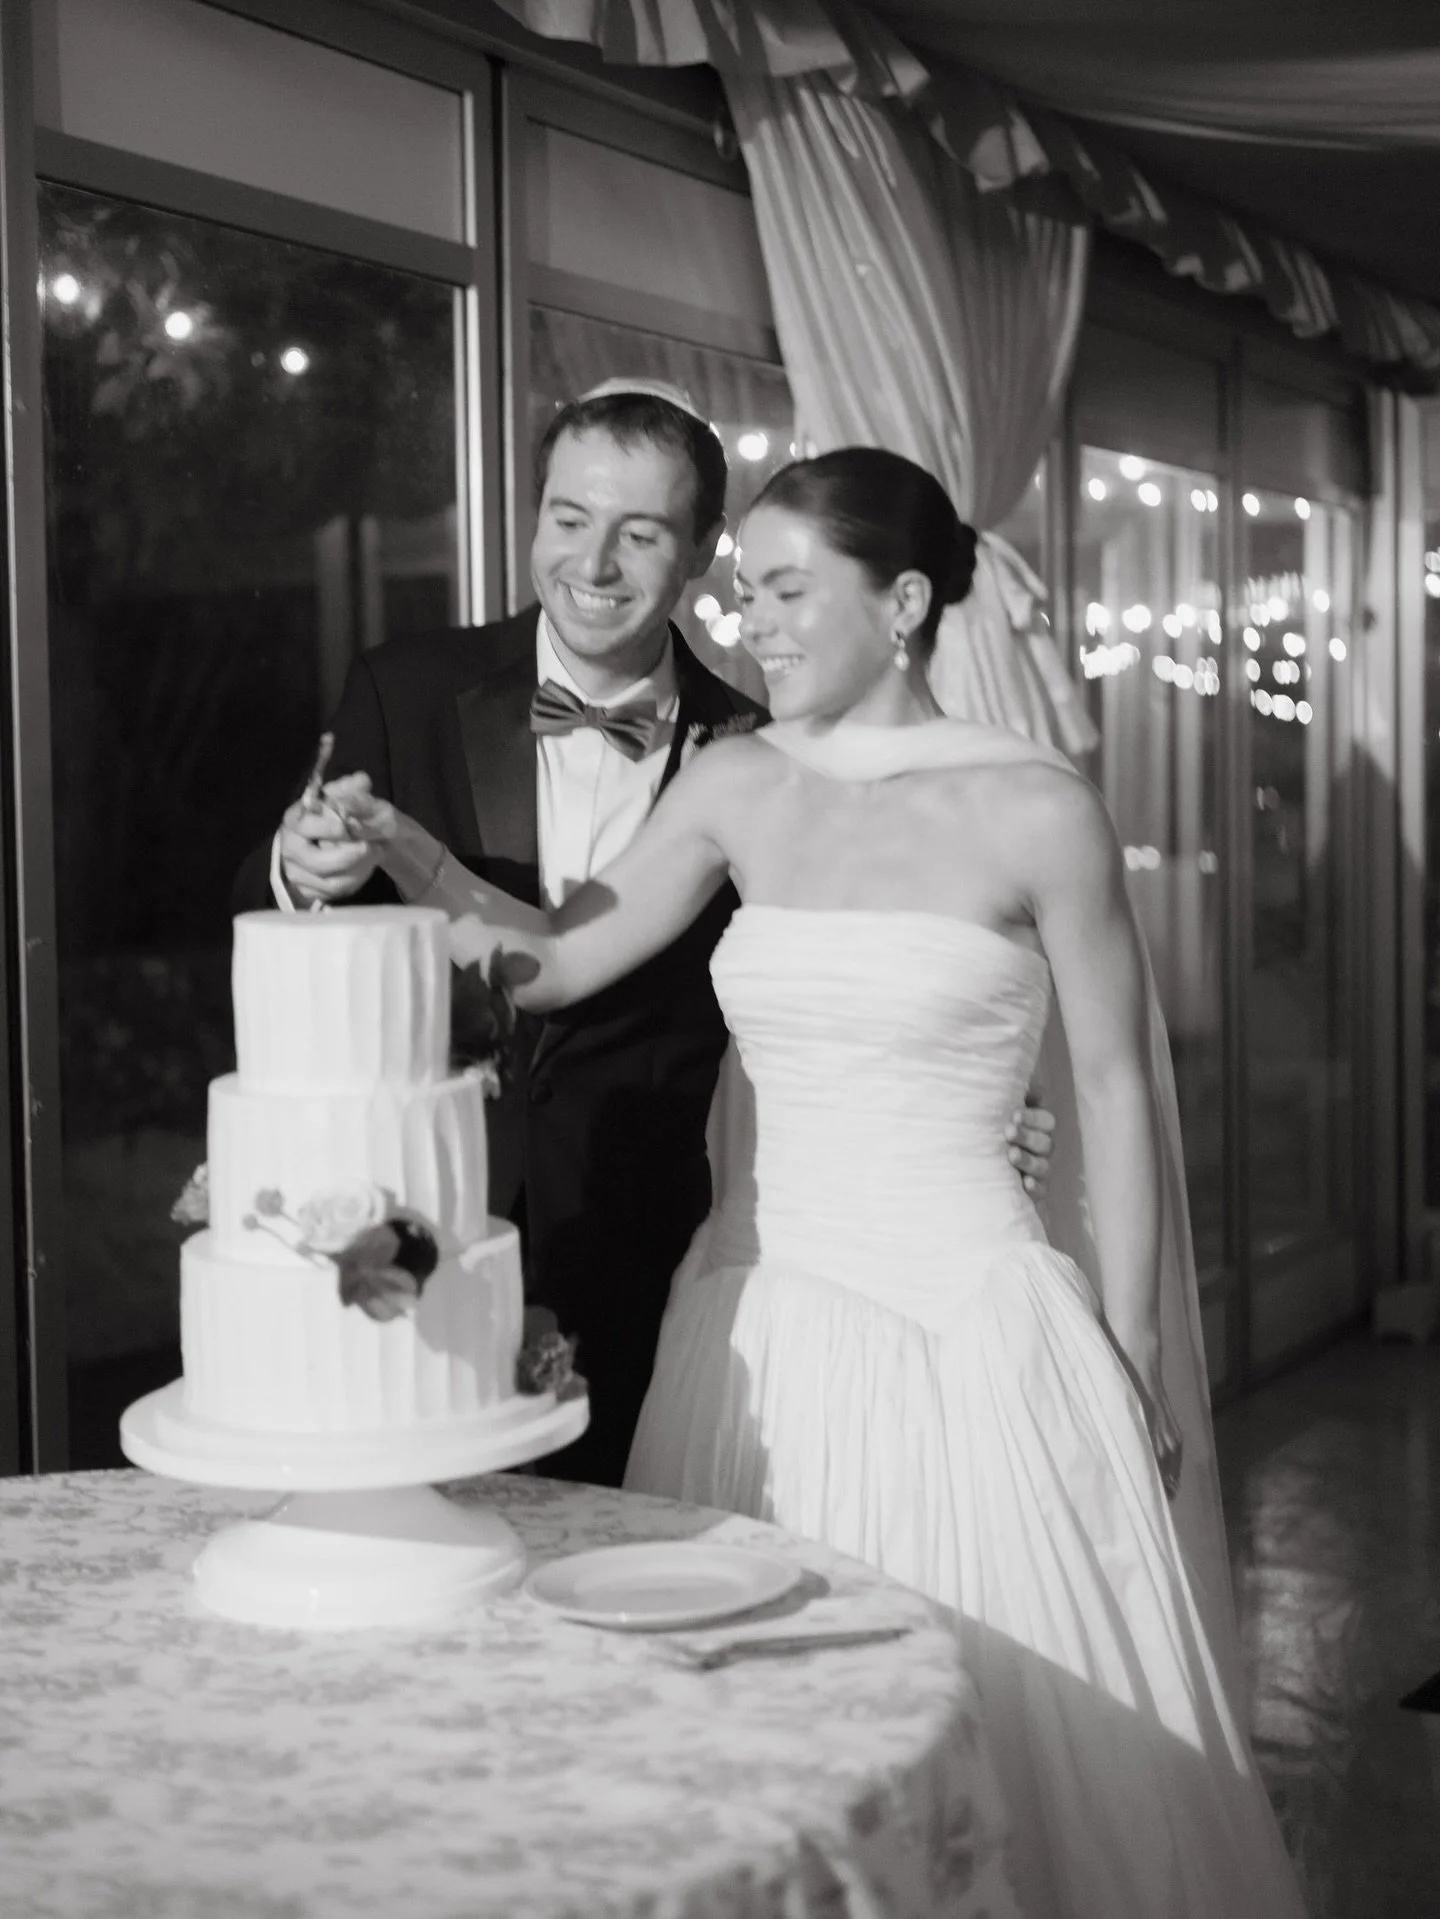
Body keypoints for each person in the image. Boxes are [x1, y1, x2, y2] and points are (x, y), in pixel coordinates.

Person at [327, 445, 1308, 1919]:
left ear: (902, 601)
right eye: (748, 591)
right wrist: (411, 854)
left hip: (970, 1332)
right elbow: (558, 959)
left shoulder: (1039, 806)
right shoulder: (737, 781)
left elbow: (1109, 1084)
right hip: (756, 1331)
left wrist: (1145, 1352)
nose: (755, 625)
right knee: (751, 1751)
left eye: (788, 591)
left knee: (1017, 1735)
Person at [234, 387, 1055, 1488]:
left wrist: (976, 1100)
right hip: (413, 1222)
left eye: (641, 531)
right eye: (569, 518)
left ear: (705, 550)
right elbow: (272, 893)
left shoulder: (769, 754)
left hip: (646, 1246)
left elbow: (878, 972)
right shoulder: (409, 685)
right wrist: (305, 866)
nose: (595, 560)